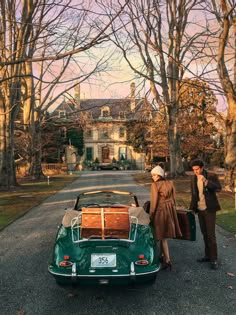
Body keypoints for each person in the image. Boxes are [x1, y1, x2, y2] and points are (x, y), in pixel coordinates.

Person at [189, 159, 222, 270]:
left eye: (197, 169)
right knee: (204, 234)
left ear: (202, 168)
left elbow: (218, 188)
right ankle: (207, 256)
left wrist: (206, 182)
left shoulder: (211, 175)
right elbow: (194, 195)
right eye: (194, 170)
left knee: (211, 235)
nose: (196, 172)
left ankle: (214, 259)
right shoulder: (193, 178)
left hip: (210, 209)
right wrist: (192, 209)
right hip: (200, 209)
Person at [149, 165, 182, 270]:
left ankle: (167, 260)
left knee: (162, 237)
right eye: (152, 175)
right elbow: (174, 199)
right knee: (164, 235)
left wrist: (151, 215)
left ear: (159, 175)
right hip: (169, 210)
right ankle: (162, 256)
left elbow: (154, 203)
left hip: (160, 211)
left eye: (154, 175)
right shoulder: (170, 183)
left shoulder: (155, 185)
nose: (153, 177)